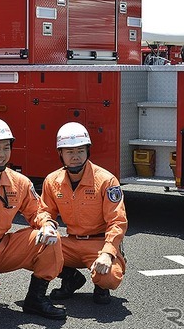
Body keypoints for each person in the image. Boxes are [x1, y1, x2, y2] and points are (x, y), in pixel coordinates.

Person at [0, 118, 66, 320]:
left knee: (51, 239)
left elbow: (37, 212)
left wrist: (47, 225)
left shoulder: (19, 182)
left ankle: (35, 299)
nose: (2, 154)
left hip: (3, 248)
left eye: (6, 148)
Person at [40, 122, 127, 305]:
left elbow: (117, 221)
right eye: (69, 152)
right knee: (33, 248)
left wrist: (108, 252)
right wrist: (47, 224)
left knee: (109, 278)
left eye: (80, 151)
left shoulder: (106, 180)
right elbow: (45, 211)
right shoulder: (52, 180)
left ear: (88, 151)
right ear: (60, 154)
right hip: (71, 243)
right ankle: (71, 278)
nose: (75, 157)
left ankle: (101, 285)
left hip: (99, 243)